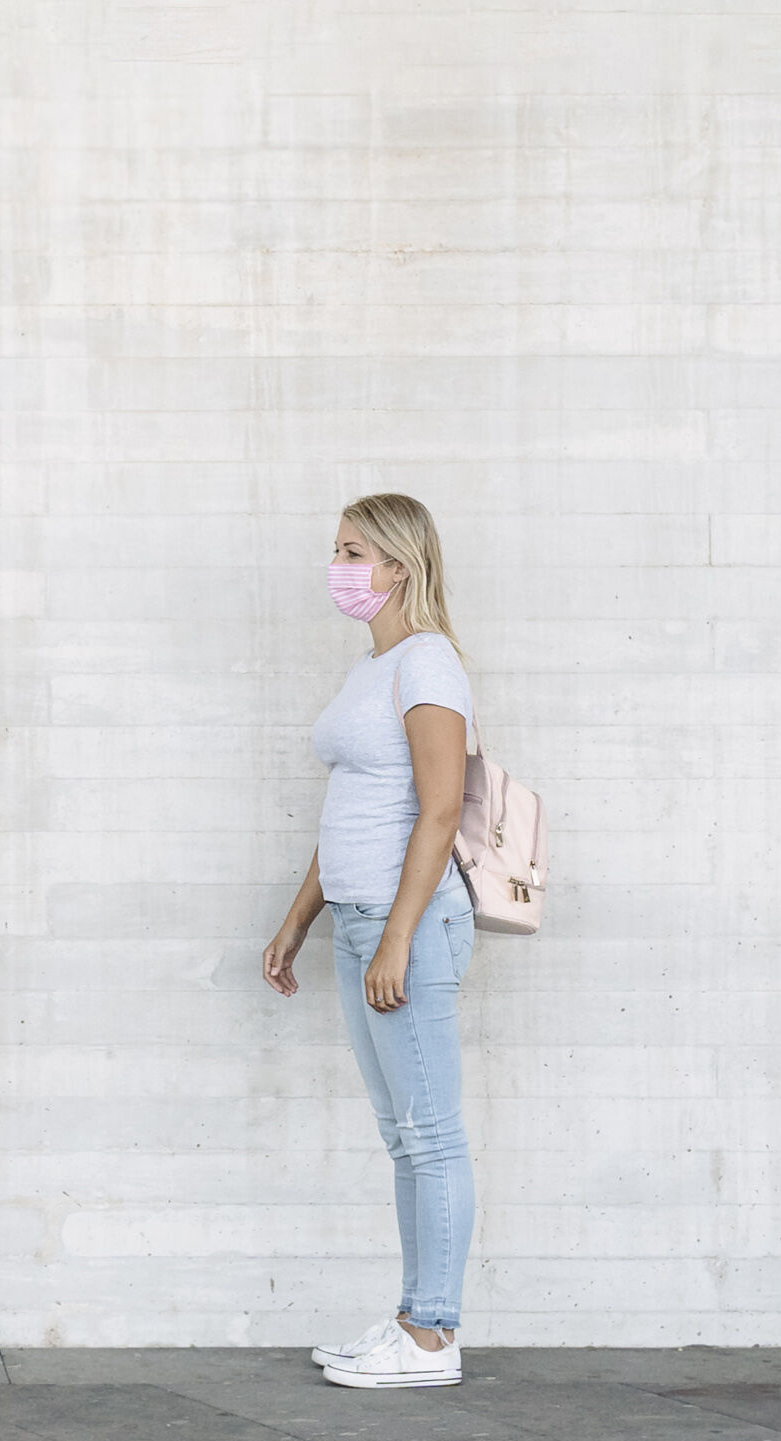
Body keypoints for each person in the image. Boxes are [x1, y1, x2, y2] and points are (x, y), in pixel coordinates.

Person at [263, 494, 478, 1390]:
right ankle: (411, 1319)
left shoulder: (427, 662)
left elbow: (439, 809)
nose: (338, 566)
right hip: (359, 922)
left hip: (407, 927)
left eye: (353, 551)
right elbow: (352, 810)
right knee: (403, 1137)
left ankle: (431, 1337)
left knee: (431, 1136)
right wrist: (298, 919)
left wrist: (396, 937)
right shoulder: (374, 665)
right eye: (337, 549)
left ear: (397, 564)